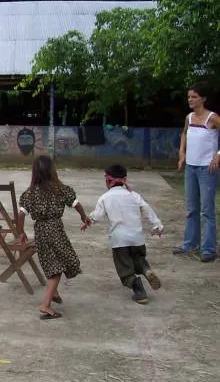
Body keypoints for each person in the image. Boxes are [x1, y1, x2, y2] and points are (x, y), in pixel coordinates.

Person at [17, 155, 91, 320]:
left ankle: (54, 292)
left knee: (52, 263)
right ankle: (46, 305)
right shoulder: (61, 189)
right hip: (55, 229)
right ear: (52, 171)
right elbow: (76, 204)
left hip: (41, 231)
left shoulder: (29, 194)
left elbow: (21, 215)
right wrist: (83, 217)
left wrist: (21, 232)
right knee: (60, 265)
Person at [82, 164, 164, 304]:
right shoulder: (134, 195)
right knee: (138, 258)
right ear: (125, 179)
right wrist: (157, 225)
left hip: (119, 241)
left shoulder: (105, 198)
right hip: (137, 238)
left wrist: (87, 222)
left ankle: (139, 290)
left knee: (125, 269)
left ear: (108, 181)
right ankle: (146, 269)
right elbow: (146, 209)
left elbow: (96, 216)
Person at [175, 82, 220, 262]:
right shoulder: (189, 118)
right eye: (189, 97)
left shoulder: (213, 118)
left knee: (207, 210)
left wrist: (218, 154)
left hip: (207, 169)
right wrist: (181, 153)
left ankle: (208, 249)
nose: (190, 100)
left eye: (194, 97)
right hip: (191, 168)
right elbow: (184, 134)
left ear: (203, 98)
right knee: (191, 209)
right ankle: (189, 244)